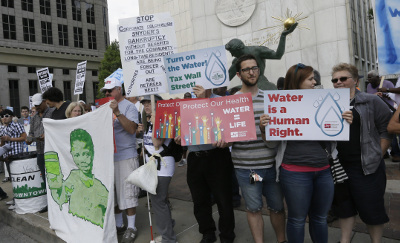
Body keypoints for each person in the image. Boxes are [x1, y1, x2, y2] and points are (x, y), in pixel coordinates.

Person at [263, 63, 352, 243]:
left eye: (314, 78)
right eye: (310, 79)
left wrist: (345, 120)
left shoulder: (325, 99)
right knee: (297, 219)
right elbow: (272, 144)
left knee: (320, 218)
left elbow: (336, 136)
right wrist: (265, 128)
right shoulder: (279, 104)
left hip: (324, 170)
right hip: (294, 173)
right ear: (298, 81)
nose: (315, 82)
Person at [219, 54, 286, 243]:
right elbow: (228, 137)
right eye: (246, 69)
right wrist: (225, 141)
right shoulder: (231, 101)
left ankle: (282, 240)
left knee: (277, 207)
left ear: (259, 70)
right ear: (239, 74)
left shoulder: (271, 99)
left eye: (254, 68)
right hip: (249, 169)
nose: (251, 72)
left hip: (272, 166)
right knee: (254, 208)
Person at [331, 63, 391, 243]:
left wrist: (378, 154)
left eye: (343, 78)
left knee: (371, 208)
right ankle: (344, 240)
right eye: (335, 80)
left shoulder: (371, 100)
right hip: (339, 165)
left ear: (355, 80)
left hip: (366, 166)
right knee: (344, 207)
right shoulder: (328, 102)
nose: (338, 82)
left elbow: (386, 129)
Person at [175, 85, 235, 243]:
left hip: (217, 156)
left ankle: (227, 235)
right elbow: (183, 132)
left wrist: (227, 142)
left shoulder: (222, 102)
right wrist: (179, 138)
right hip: (195, 157)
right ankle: (207, 232)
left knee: (223, 198)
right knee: (199, 199)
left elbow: (232, 135)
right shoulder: (187, 104)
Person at [45, 129, 109, 228]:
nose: (82, 160)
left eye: (86, 154)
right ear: (72, 154)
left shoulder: (101, 188)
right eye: (77, 155)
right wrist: (53, 175)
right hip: (78, 228)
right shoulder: (73, 178)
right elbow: (60, 198)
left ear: (92, 152)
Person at [102, 79, 139, 243]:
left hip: (125, 156)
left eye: (110, 90)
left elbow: (132, 129)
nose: (107, 94)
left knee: (128, 192)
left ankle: (132, 227)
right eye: (105, 91)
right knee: (113, 193)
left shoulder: (129, 106)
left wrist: (117, 112)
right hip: (109, 157)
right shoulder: (104, 107)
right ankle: (119, 224)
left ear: (119, 89)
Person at [137, 94, 177, 243]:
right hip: (152, 166)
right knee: (161, 201)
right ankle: (169, 227)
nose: (147, 106)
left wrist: (155, 122)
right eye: (145, 103)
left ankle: (168, 238)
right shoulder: (148, 121)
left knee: (158, 202)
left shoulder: (163, 120)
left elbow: (156, 143)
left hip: (163, 166)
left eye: (150, 103)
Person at [225, 23, 297, 90]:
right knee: (233, 92)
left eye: (232, 52)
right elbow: (226, 79)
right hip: (247, 85)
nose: (232, 55)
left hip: (261, 83)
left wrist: (283, 36)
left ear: (239, 49)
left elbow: (277, 55)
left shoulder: (257, 51)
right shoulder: (237, 60)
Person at [27, 93, 54, 187]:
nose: (37, 107)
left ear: (44, 102)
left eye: (39, 104)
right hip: (40, 152)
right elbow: (31, 133)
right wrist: (29, 138)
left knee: (54, 176)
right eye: (35, 105)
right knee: (44, 177)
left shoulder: (53, 112)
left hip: (53, 150)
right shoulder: (34, 118)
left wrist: (47, 135)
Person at [0, 109, 27, 183]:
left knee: (20, 176)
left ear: (11, 117)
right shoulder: (1, 128)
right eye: (2, 116)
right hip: (7, 157)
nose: (4, 118)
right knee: (13, 178)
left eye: (6, 116)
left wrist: (10, 139)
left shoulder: (17, 125)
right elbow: (1, 145)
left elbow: (24, 138)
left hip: (17, 155)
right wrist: (2, 140)